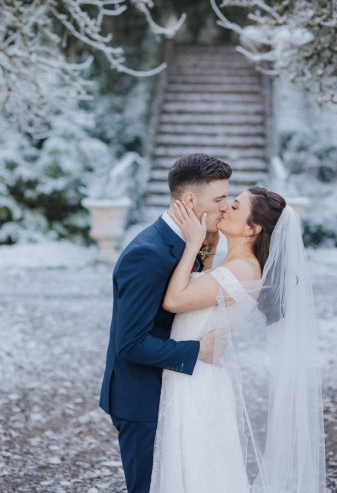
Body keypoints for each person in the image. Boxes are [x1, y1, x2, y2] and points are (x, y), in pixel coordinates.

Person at [150, 187, 326, 493]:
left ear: (251, 229)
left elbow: (175, 301)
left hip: (197, 383)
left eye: (235, 207)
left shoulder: (242, 270)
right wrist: (207, 249)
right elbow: (203, 296)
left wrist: (193, 243)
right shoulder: (234, 265)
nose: (225, 208)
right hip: (194, 374)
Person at [99, 153, 232, 493]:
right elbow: (130, 344)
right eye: (219, 198)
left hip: (171, 391)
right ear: (189, 199)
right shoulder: (149, 253)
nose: (225, 207)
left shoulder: (185, 243)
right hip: (142, 398)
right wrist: (198, 350)